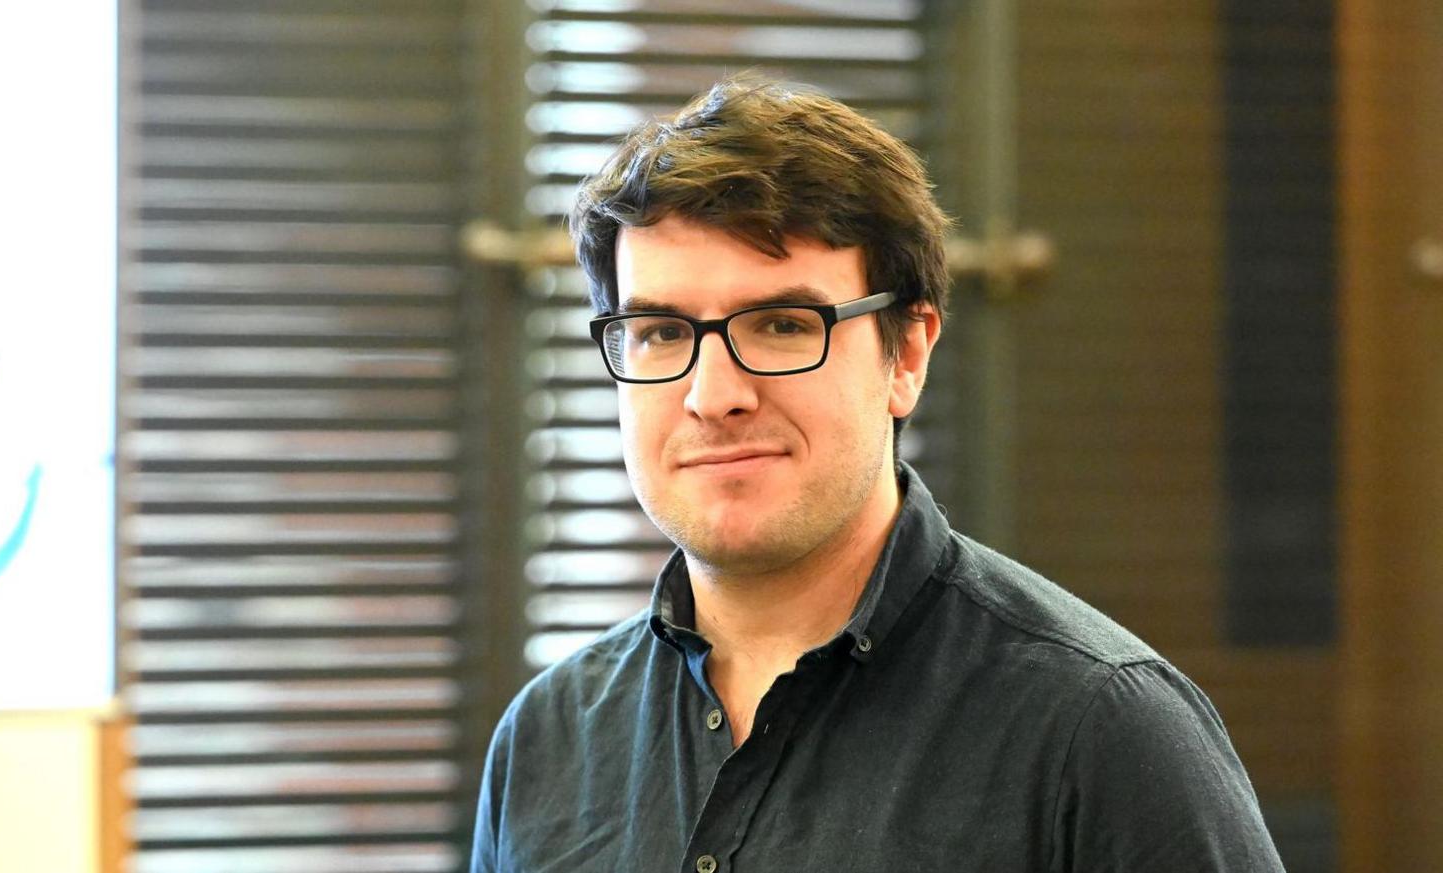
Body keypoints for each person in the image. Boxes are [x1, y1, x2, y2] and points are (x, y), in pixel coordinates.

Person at [470, 76, 1285, 873]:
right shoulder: (548, 740)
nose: (713, 396)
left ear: (909, 353)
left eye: (784, 325)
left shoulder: (1100, 732)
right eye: (659, 333)